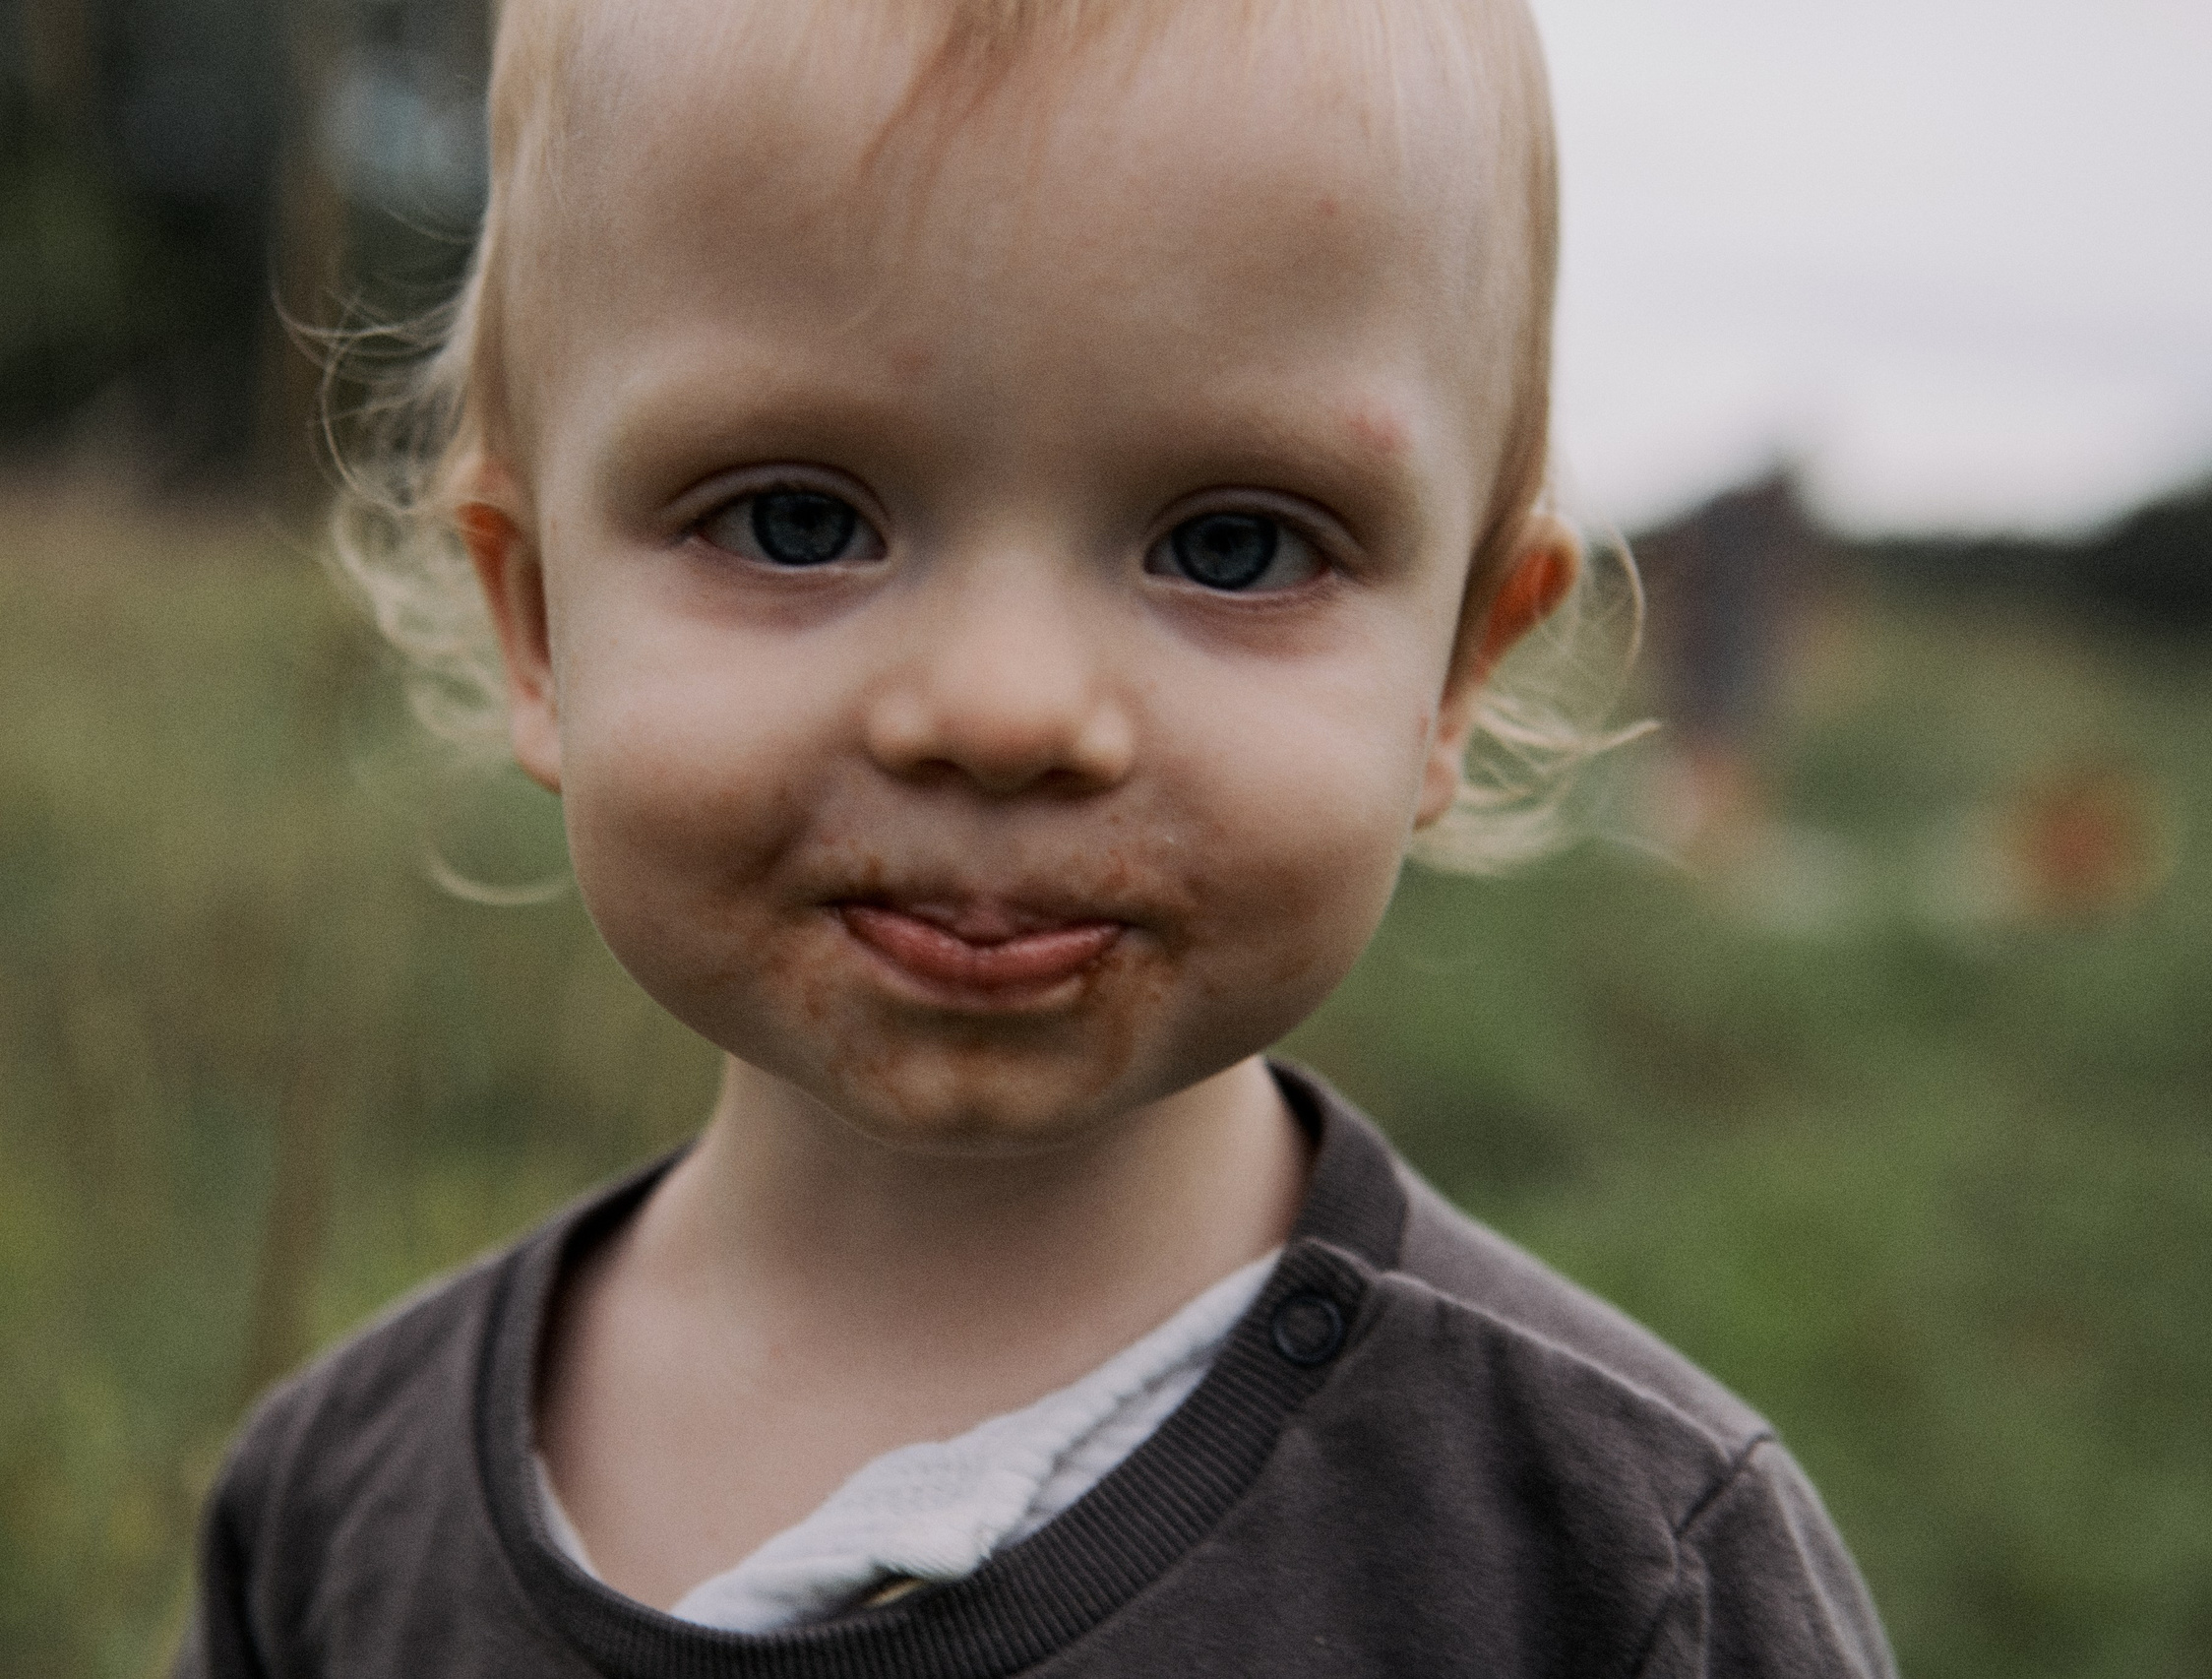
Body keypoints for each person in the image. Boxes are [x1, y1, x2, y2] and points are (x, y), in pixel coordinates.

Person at [177, 0, 1897, 1672]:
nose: (1005, 712)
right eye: (795, 519)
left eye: (1233, 545)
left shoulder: (1614, 1572)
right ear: (538, 614)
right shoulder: (331, 1523)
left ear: (1455, 667)